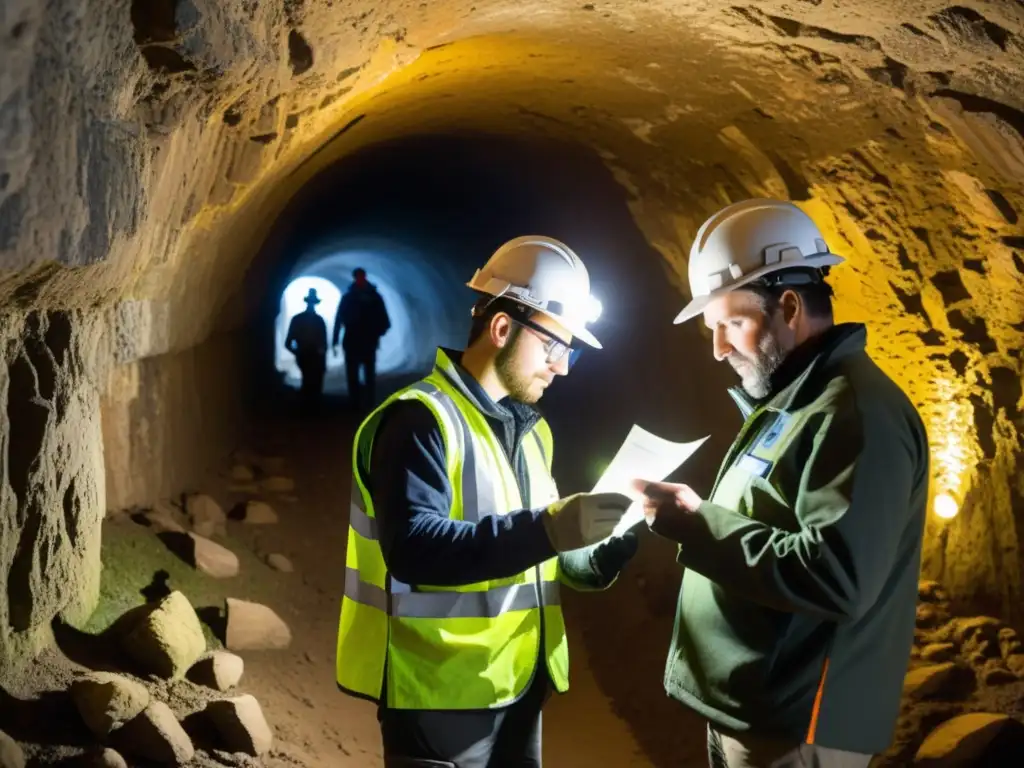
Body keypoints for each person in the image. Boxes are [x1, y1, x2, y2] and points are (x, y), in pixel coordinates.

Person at [633, 199, 930, 768]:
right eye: (711, 328)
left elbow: (837, 574)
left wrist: (698, 525)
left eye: (731, 323)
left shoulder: (856, 413)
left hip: (800, 726)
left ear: (789, 306)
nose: (718, 348)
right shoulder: (795, 403)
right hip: (755, 710)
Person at [335, 236, 639, 768]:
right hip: (441, 700)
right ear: (502, 328)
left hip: (519, 687)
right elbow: (416, 551)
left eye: (572, 352)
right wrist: (548, 529)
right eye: (555, 346)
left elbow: (537, 549)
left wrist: (598, 553)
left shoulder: (530, 432)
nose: (563, 367)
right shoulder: (419, 420)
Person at [333, 267, 391, 411]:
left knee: (367, 374)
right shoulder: (356, 298)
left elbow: (384, 320)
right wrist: (334, 340)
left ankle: (366, 402)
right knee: (355, 374)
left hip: (364, 341)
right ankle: (356, 402)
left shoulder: (370, 298)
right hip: (356, 341)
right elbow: (339, 319)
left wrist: (376, 333)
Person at [284, 287, 328, 414]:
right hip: (310, 355)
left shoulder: (298, 319)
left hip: (307, 355)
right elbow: (324, 343)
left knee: (309, 381)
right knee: (313, 381)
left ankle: (308, 408)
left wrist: (298, 352)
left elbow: (288, 343)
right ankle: (311, 408)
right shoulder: (318, 320)